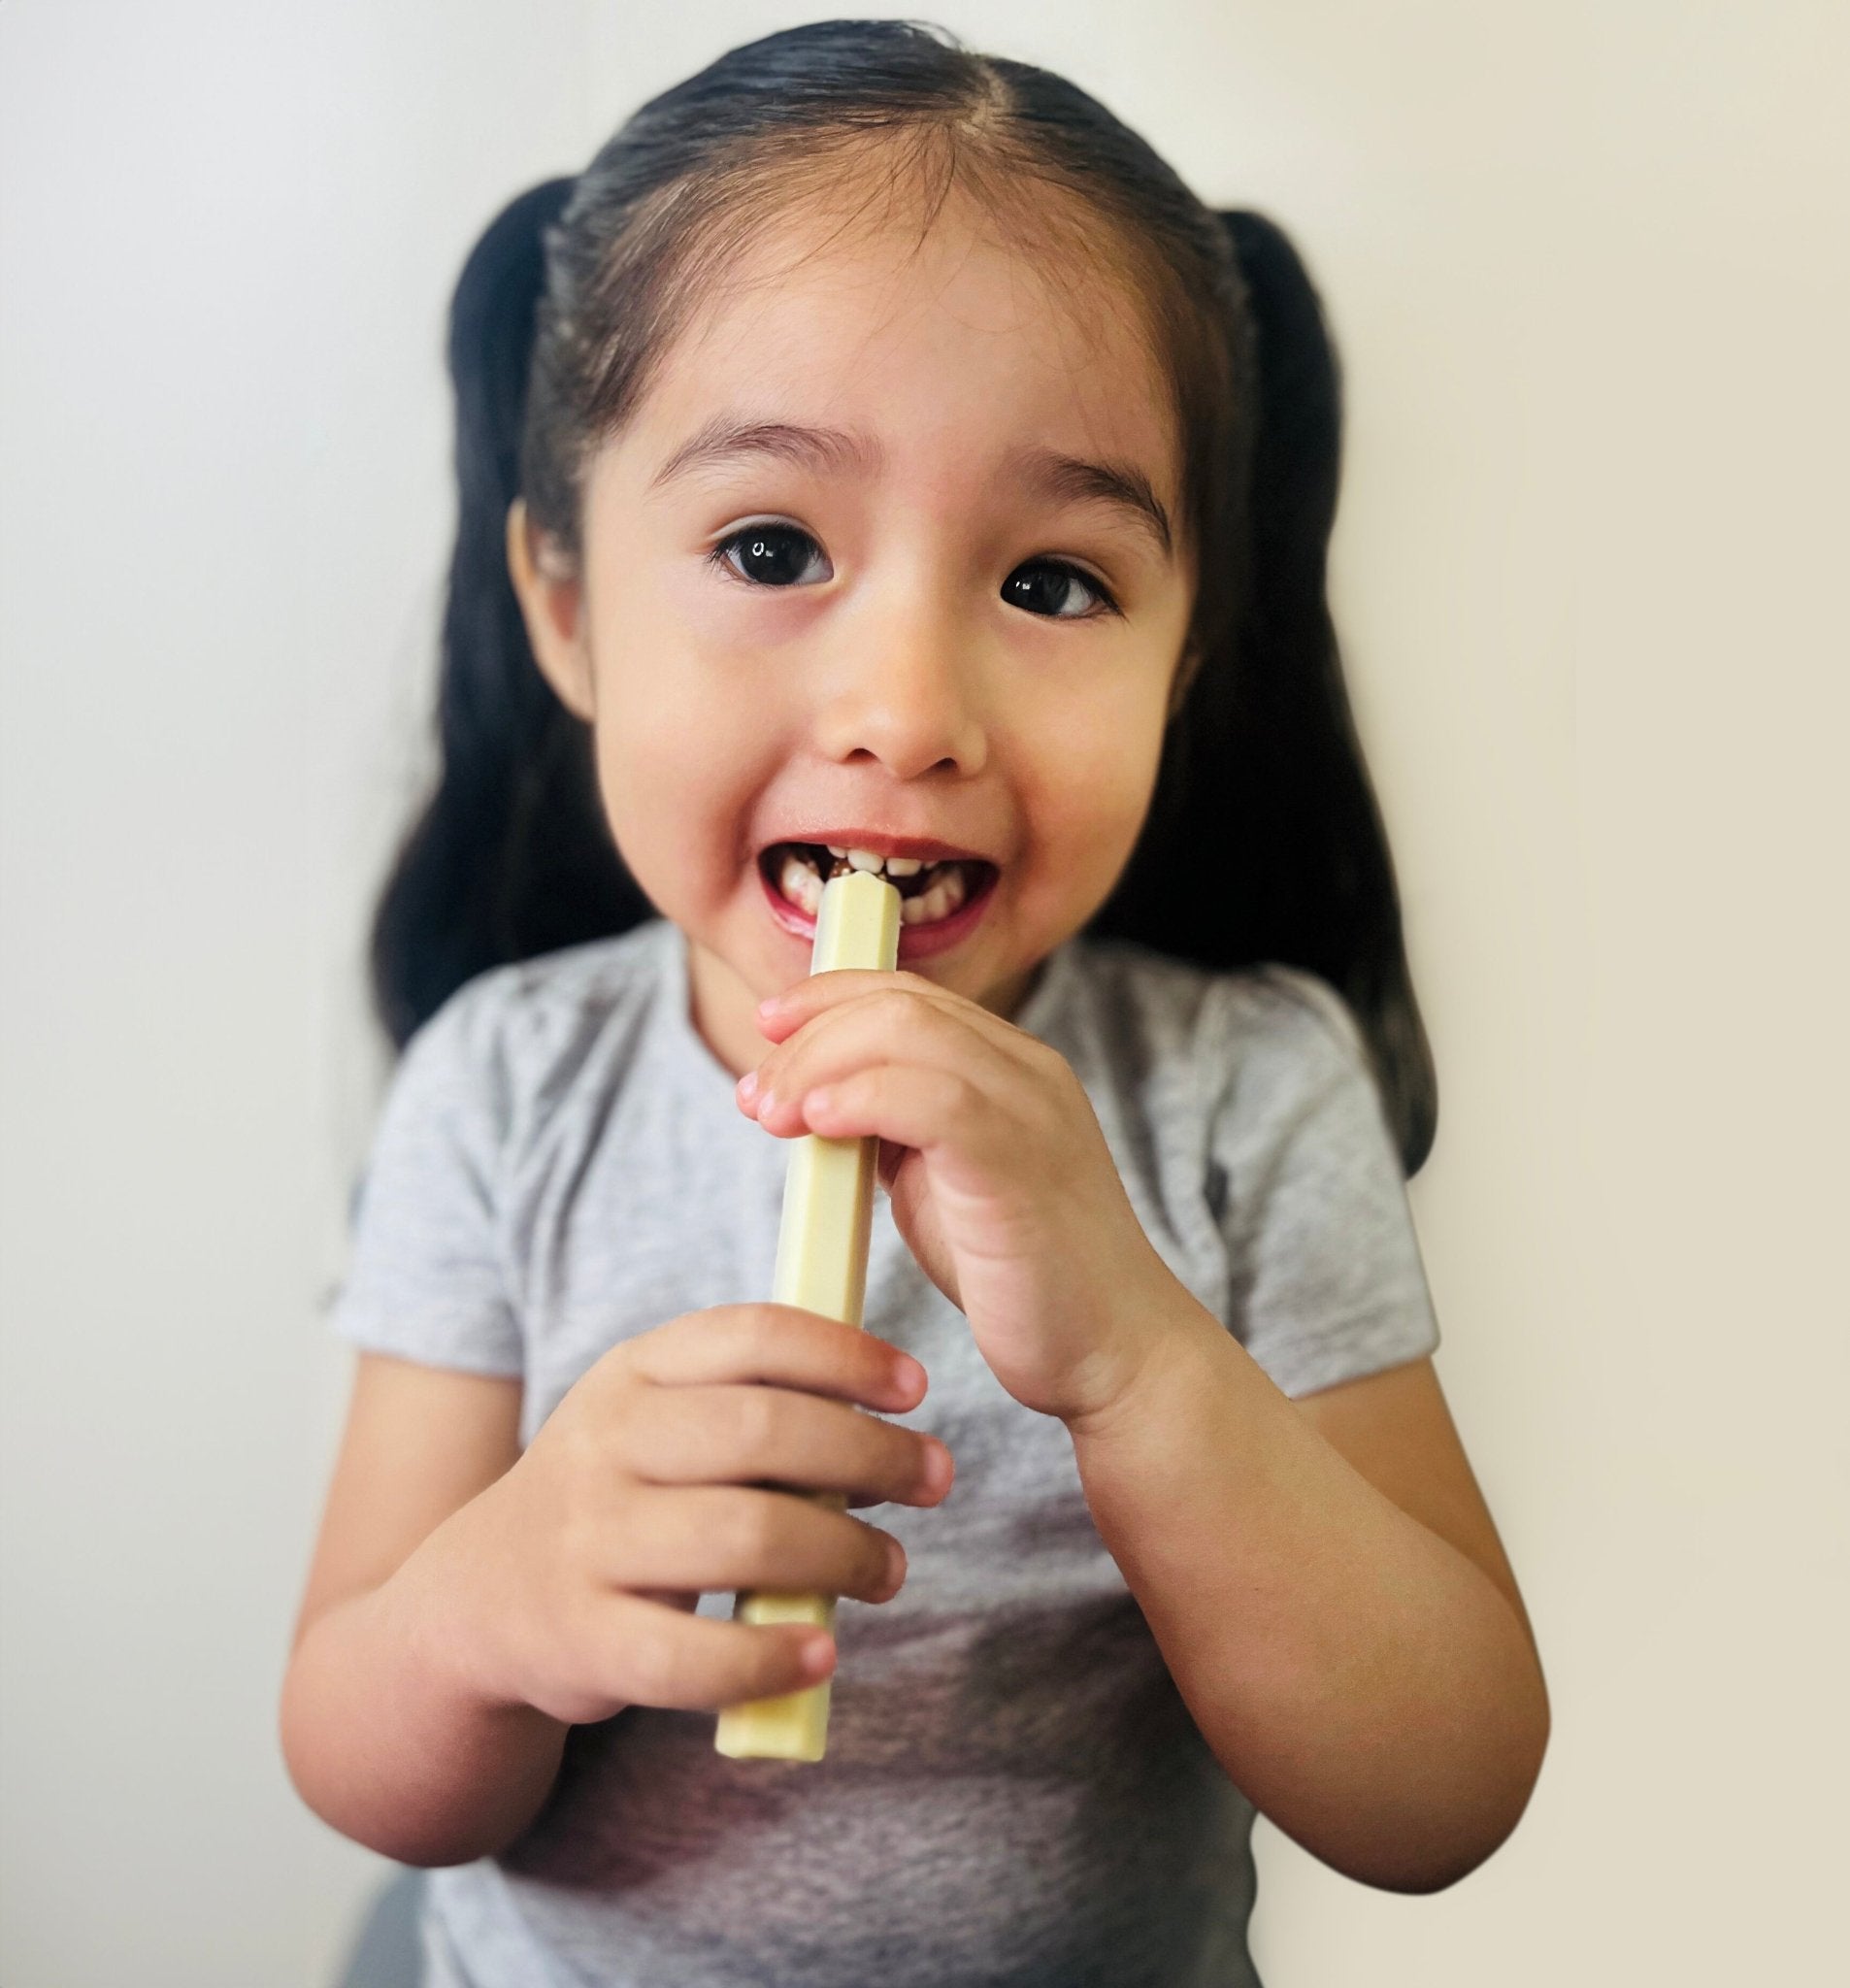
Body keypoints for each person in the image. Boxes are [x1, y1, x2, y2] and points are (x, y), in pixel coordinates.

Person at [280, 20, 1549, 1987]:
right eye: (771, 547)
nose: (904, 712)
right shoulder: (509, 1086)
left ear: (1185, 649)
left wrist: (1136, 1361)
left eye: (1050, 582)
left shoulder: (1238, 1096)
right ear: (565, 606)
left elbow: (1438, 1791)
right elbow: (363, 1754)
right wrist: (488, 1607)